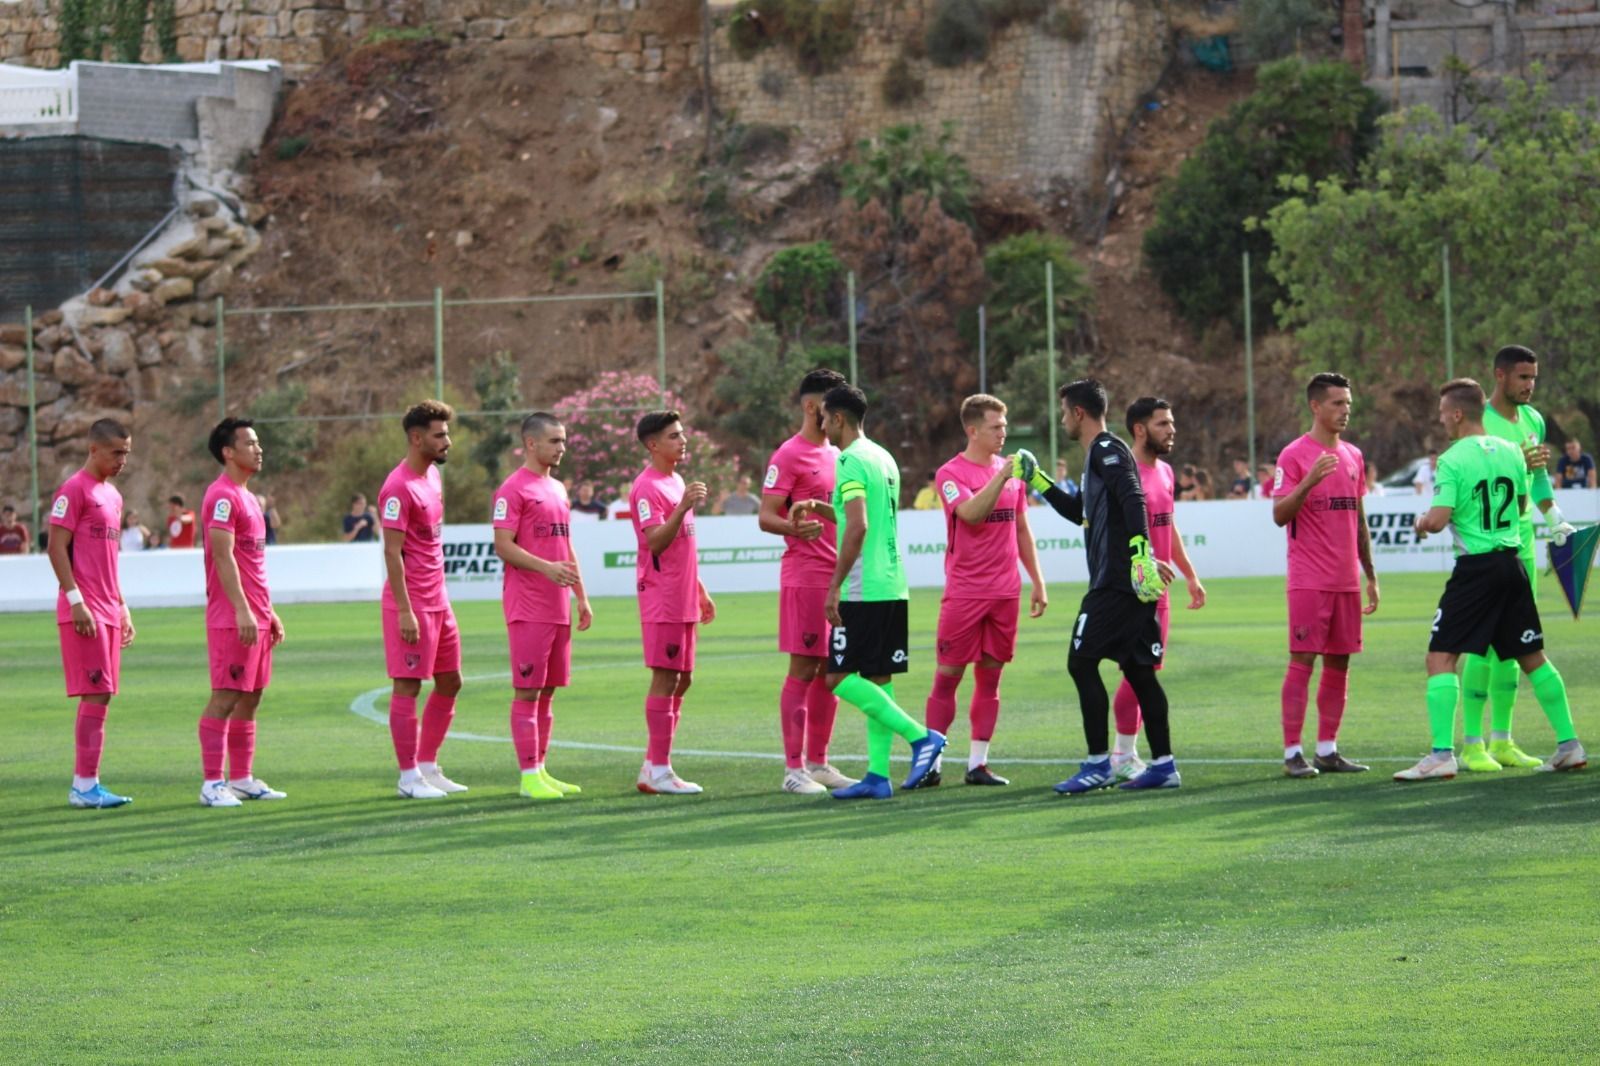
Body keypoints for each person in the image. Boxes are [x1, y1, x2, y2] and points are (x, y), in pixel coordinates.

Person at [1398, 378, 1586, 780]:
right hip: (1513, 564)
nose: (1441, 420)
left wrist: (1419, 522)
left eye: (1443, 414)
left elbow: (1437, 519)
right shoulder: (1512, 454)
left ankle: (1441, 755)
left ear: (1458, 413)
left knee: (1441, 657)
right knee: (1532, 657)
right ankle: (1570, 745)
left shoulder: (1451, 459)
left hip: (1476, 570)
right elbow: (1520, 503)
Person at [788, 385, 945, 800]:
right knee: (878, 678)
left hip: (864, 587)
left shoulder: (849, 460)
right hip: (893, 583)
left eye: (824, 417)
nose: (820, 424)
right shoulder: (882, 456)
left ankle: (921, 737)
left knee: (837, 677)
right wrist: (819, 507)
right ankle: (878, 776)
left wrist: (834, 586)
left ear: (838, 418)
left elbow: (858, 526)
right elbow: (856, 513)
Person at [1018, 380, 1176, 793]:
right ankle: (1163, 765)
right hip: (1128, 582)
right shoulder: (1096, 457)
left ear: (1078, 414)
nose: (1062, 420)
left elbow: (1133, 496)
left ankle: (1097, 764)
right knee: (1141, 672)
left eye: (1064, 412)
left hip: (1116, 583)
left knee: (1081, 662)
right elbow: (1078, 512)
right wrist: (1039, 480)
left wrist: (1141, 550)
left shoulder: (1107, 449)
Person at [1457, 345, 1580, 772]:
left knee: (1512, 645)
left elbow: (1540, 475)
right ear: (1500, 376)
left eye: (1534, 378)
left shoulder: (1533, 419)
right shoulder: (1479, 421)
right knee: (1481, 644)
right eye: (1523, 377)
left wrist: (1554, 516)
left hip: (1522, 544)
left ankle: (1502, 740)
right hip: (1488, 546)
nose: (1529, 385)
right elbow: (1474, 477)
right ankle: (1472, 744)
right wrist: (1516, 465)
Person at [915, 393, 1045, 789]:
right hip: (966, 592)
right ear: (972, 430)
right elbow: (970, 515)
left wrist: (1037, 580)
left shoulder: (1011, 473)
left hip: (1006, 592)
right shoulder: (950, 474)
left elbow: (1021, 528)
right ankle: (931, 764)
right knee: (948, 676)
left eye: (1005, 426)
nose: (1003, 433)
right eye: (995, 427)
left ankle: (978, 764)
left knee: (991, 678)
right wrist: (1001, 477)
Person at [1271, 372, 1377, 778]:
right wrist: (1311, 479)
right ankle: (1292, 753)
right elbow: (1279, 515)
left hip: (1346, 579)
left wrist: (1370, 573)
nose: (1345, 411)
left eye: (1348, 403)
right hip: (1309, 579)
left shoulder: (1353, 455)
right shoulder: (1294, 455)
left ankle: (1328, 750)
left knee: (1340, 665)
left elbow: (1359, 519)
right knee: (1302, 661)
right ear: (1316, 406)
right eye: (1337, 403)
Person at [757, 368, 856, 795]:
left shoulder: (839, 455)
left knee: (831, 669)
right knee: (803, 668)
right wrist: (795, 529)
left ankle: (818, 762)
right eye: (833, 406)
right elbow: (766, 515)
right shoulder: (788, 454)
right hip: (806, 576)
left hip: (839, 576)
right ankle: (793, 770)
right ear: (812, 407)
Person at [492, 411, 593, 801]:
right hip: (528, 606)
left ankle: (542, 769)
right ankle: (528, 775)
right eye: (554, 441)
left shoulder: (558, 489)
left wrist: (580, 596)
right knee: (528, 691)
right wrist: (546, 569)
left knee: (548, 691)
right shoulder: (512, 489)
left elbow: (566, 547)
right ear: (531, 443)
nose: (562, 447)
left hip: (558, 606)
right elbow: (503, 545)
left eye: (564, 441)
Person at [1111, 398, 1207, 781]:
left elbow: (1169, 526)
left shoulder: (1165, 472)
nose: (1172, 429)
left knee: (1145, 671)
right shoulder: (1124, 473)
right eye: (1163, 423)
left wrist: (1190, 574)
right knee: (1137, 673)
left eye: (1172, 422)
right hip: (1134, 591)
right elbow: (1114, 533)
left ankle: (1125, 754)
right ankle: (1122, 755)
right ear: (1139, 429)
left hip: (1160, 593)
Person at [197, 418, 287, 807]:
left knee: (252, 696)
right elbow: (222, 556)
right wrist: (242, 611)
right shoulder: (222, 496)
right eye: (249, 443)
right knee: (226, 695)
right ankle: (212, 783)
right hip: (233, 617)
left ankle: (243, 778)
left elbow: (253, 564)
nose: (259, 448)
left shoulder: (249, 497)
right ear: (228, 452)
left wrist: (269, 612)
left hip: (257, 615)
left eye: (258, 442)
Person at [47, 419, 137, 808]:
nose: (122, 460)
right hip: (84, 608)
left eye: (127, 453)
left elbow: (109, 560)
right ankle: (83, 785)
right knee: (97, 693)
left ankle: (88, 783)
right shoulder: (73, 490)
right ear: (93, 449)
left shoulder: (113, 497)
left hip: (107, 607)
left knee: (104, 695)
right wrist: (75, 598)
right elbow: (55, 547)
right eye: (116, 452)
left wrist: (122, 605)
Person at [380, 400, 467, 799]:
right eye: (439, 434)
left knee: (450, 681)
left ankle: (429, 766)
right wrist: (404, 610)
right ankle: (408, 776)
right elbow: (392, 552)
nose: (447, 441)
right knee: (408, 686)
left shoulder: (432, 476)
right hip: (412, 603)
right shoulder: (397, 487)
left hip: (439, 600)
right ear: (417, 438)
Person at [630, 409, 717, 794]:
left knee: (683, 680)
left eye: (682, 434)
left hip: (683, 596)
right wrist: (682, 506)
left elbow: (683, 548)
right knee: (666, 678)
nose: (683, 441)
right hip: (662, 598)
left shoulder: (676, 479)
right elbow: (655, 543)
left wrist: (698, 588)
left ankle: (653, 764)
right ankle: (660, 770)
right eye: (674, 436)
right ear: (653, 445)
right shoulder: (647, 487)